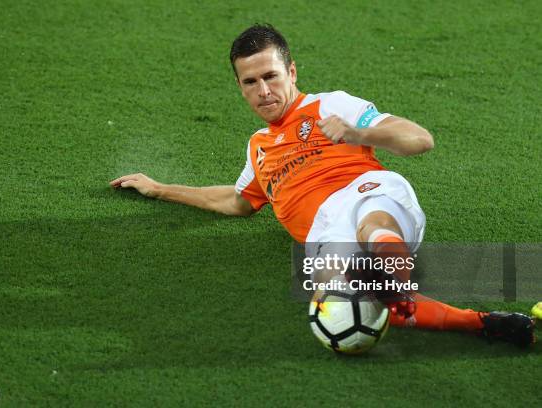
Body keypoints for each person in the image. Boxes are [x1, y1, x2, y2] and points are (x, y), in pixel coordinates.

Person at [110, 24, 535, 347]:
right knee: (343, 301)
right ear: (239, 89)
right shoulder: (258, 147)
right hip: (322, 232)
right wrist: (160, 188)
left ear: (291, 71)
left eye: (271, 76)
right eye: (250, 82)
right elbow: (239, 202)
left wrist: (359, 134)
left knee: (374, 226)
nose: (264, 91)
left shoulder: (330, 105)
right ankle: (485, 323)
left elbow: (419, 140)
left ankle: (388, 276)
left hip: (367, 189)